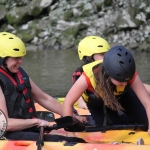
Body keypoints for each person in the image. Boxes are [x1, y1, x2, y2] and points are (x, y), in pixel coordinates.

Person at [0, 32, 85, 143]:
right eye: (16, 58)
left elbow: (44, 98)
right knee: (67, 141)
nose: (21, 61)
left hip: (26, 129)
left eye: (20, 57)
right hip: (8, 134)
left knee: (76, 138)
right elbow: (4, 124)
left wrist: (72, 116)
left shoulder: (18, 73)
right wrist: (37, 122)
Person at [63, 46, 150, 135]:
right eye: (120, 80)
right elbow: (67, 103)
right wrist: (70, 134)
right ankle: (122, 118)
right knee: (111, 132)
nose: (124, 83)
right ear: (108, 73)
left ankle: (127, 118)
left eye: (126, 80)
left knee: (145, 123)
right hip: (97, 103)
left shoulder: (129, 72)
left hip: (123, 95)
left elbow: (147, 102)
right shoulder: (88, 77)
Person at [72, 36, 110, 109]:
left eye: (107, 54)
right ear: (88, 58)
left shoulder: (114, 69)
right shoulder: (79, 75)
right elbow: (82, 104)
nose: (106, 57)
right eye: (102, 54)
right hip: (95, 106)